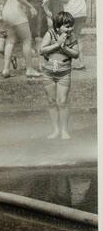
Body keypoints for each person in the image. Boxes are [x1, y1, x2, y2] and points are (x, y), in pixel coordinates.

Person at [40, 12, 79, 140]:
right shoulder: (50, 34)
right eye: (67, 26)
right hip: (48, 73)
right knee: (51, 101)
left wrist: (64, 48)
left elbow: (76, 54)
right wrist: (57, 44)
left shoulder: (71, 36)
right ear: (58, 27)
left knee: (62, 102)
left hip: (64, 73)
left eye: (71, 26)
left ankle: (64, 131)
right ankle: (55, 130)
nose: (70, 29)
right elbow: (42, 50)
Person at [0, 0, 41, 78]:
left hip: (7, 12)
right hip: (17, 13)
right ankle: (29, 69)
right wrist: (31, 7)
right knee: (27, 40)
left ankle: (6, 70)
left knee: (10, 40)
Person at [49, 0, 87, 70]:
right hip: (82, 10)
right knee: (77, 37)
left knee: (63, 37)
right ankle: (81, 63)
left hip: (71, 12)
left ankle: (60, 63)